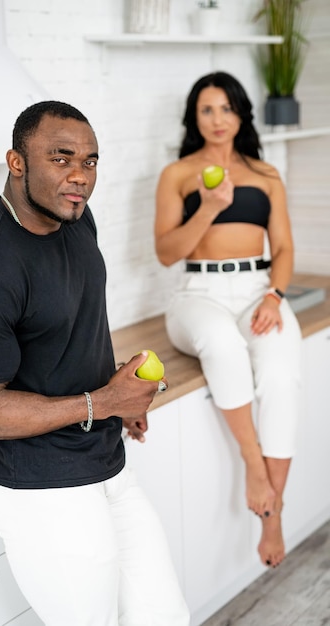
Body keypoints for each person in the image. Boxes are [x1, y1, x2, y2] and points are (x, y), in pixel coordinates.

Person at [0, 101, 190, 626]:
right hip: (40, 488)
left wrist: (120, 393)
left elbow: (74, 321)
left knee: (164, 616)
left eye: (90, 161)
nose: (80, 176)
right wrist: (104, 402)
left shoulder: (74, 217)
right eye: (62, 158)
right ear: (17, 161)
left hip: (104, 459)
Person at [154, 72, 302, 569]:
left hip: (259, 292)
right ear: (194, 119)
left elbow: (282, 248)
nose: (217, 119)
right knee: (221, 343)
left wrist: (275, 296)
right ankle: (253, 463)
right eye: (207, 110)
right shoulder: (178, 175)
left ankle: (271, 514)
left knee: (281, 375)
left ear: (241, 114)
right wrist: (208, 208)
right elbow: (165, 252)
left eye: (226, 108)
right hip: (198, 293)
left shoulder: (266, 174)